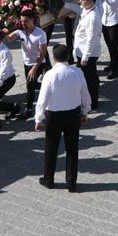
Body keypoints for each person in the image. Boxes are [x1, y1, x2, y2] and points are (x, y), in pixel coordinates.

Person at [34, 44, 91, 192]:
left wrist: (38, 119)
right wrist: (85, 111)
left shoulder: (50, 75)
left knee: (51, 148)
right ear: (68, 57)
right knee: (72, 148)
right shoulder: (77, 73)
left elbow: (42, 99)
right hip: (73, 114)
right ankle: (71, 182)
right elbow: (85, 93)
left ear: (54, 58)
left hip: (54, 115)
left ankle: (49, 179)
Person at [71, 0, 102, 109]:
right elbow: (78, 9)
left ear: (90, 1)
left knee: (90, 78)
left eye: (82, 0)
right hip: (82, 51)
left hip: (87, 54)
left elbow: (91, 39)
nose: (80, 1)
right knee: (88, 77)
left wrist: (85, 57)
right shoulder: (87, 9)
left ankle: (93, 101)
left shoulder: (93, 17)